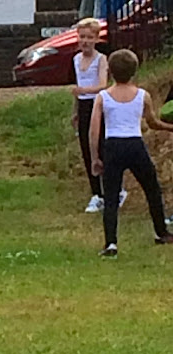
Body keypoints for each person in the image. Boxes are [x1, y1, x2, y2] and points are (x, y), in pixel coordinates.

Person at [90, 49, 173, 257]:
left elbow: (94, 130)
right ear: (134, 71)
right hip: (135, 145)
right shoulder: (142, 96)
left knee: (111, 196)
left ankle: (111, 243)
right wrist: (169, 127)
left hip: (113, 146)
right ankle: (161, 232)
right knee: (152, 188)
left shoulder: (102, 96)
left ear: (110, 71)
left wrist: (95, 158)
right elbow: (152, 123)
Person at [71, 17, 127, 213]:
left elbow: (103, 84)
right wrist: (76, 110)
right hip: (84, 105)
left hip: (99, 104)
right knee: (87, 148)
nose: (84, 41)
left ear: (96, 39)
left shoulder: (101, 59)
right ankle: (97, 193)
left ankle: (116, 189)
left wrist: (83, 90)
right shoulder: (76, 60)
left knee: (103, 147)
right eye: (81, 37)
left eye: (89, 37)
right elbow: (78, 88)